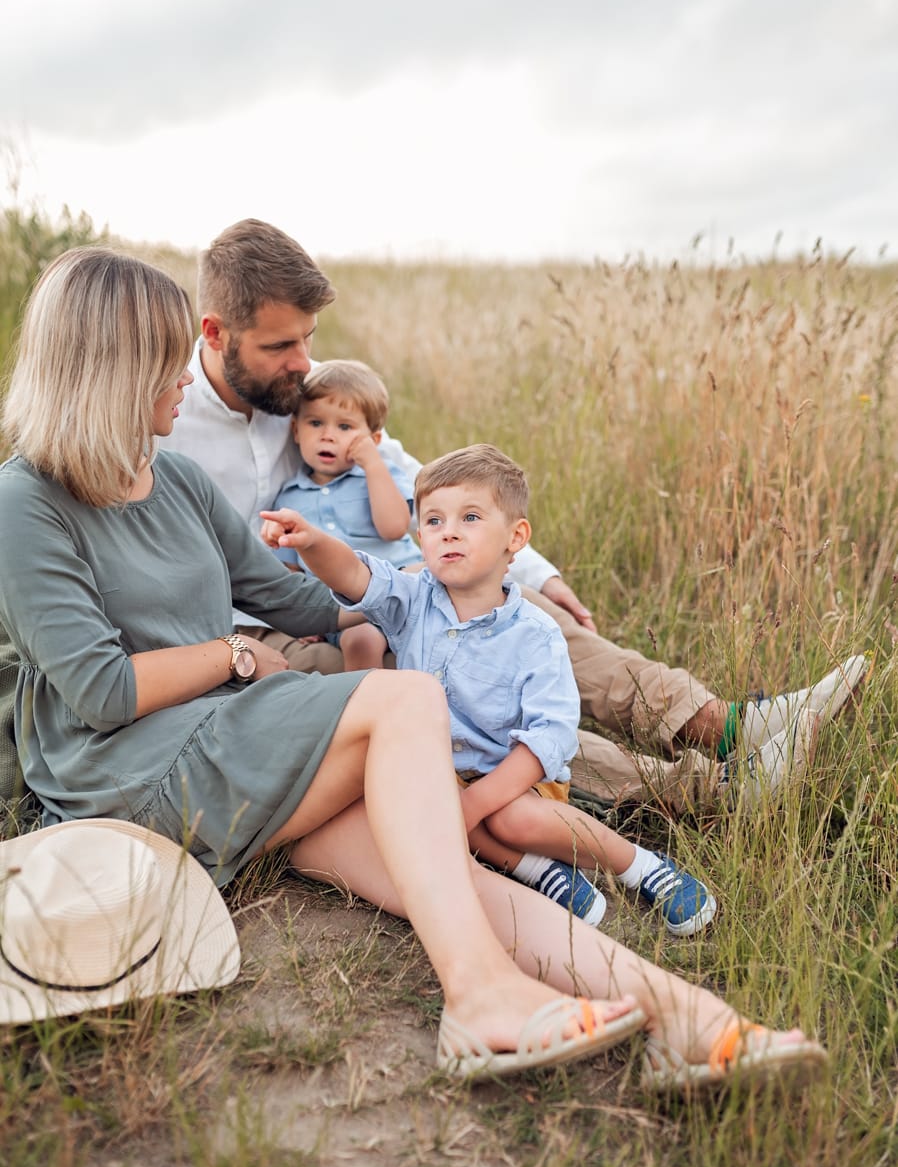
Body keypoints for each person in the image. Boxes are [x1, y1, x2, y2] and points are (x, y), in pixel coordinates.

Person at [0, 246, 826, 1094]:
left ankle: (689, 1020)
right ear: (110, 371)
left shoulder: (171, 476)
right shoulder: (23, 502)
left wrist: (431, 598)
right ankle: (480, 998)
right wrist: (235, 655)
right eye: (165, 359)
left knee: (438, 870)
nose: (184, 375)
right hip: (126, 770)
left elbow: (291, 600)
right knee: (405, 702)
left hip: (226, 747)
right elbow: (101, 693)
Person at [162, 219, 868, 816]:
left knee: (522, 612)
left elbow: (425, 486)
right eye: (280, 347)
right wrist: (235, 652)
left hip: (377, 585)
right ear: (215, 333)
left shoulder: (311, 398)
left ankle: (730, 727)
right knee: (465, 689)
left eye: (309, 340)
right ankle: (712, 792)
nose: (303, 363)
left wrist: (534, 569)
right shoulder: (166, 422)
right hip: (279, 632)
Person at [263, 441, 727, 937]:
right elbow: (357, 575)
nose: (448, 532)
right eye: (434, 521)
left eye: (470, 518)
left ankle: (640, 866)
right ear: (420, 537)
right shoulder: (413, 600)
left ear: (515, 537)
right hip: (443, 775)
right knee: (421, 809)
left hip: (516, 781)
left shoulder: (535, 634)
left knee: (508, 820)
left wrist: (477, 802)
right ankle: (538, 870)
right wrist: (310, 542)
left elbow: (550, 737)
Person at [272, 358, 420, 671]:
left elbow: (395, 528)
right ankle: (367, 697)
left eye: (344, 427)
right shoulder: (289, 497)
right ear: (296, 430)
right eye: (315, 423)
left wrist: (373, 464)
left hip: (402, 586)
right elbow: (290, 568)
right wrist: (300, 619)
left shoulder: (380, 474)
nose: (328, 435)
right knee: (360, 640)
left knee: (436, 580)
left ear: (373, 440)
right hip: (348, 609)